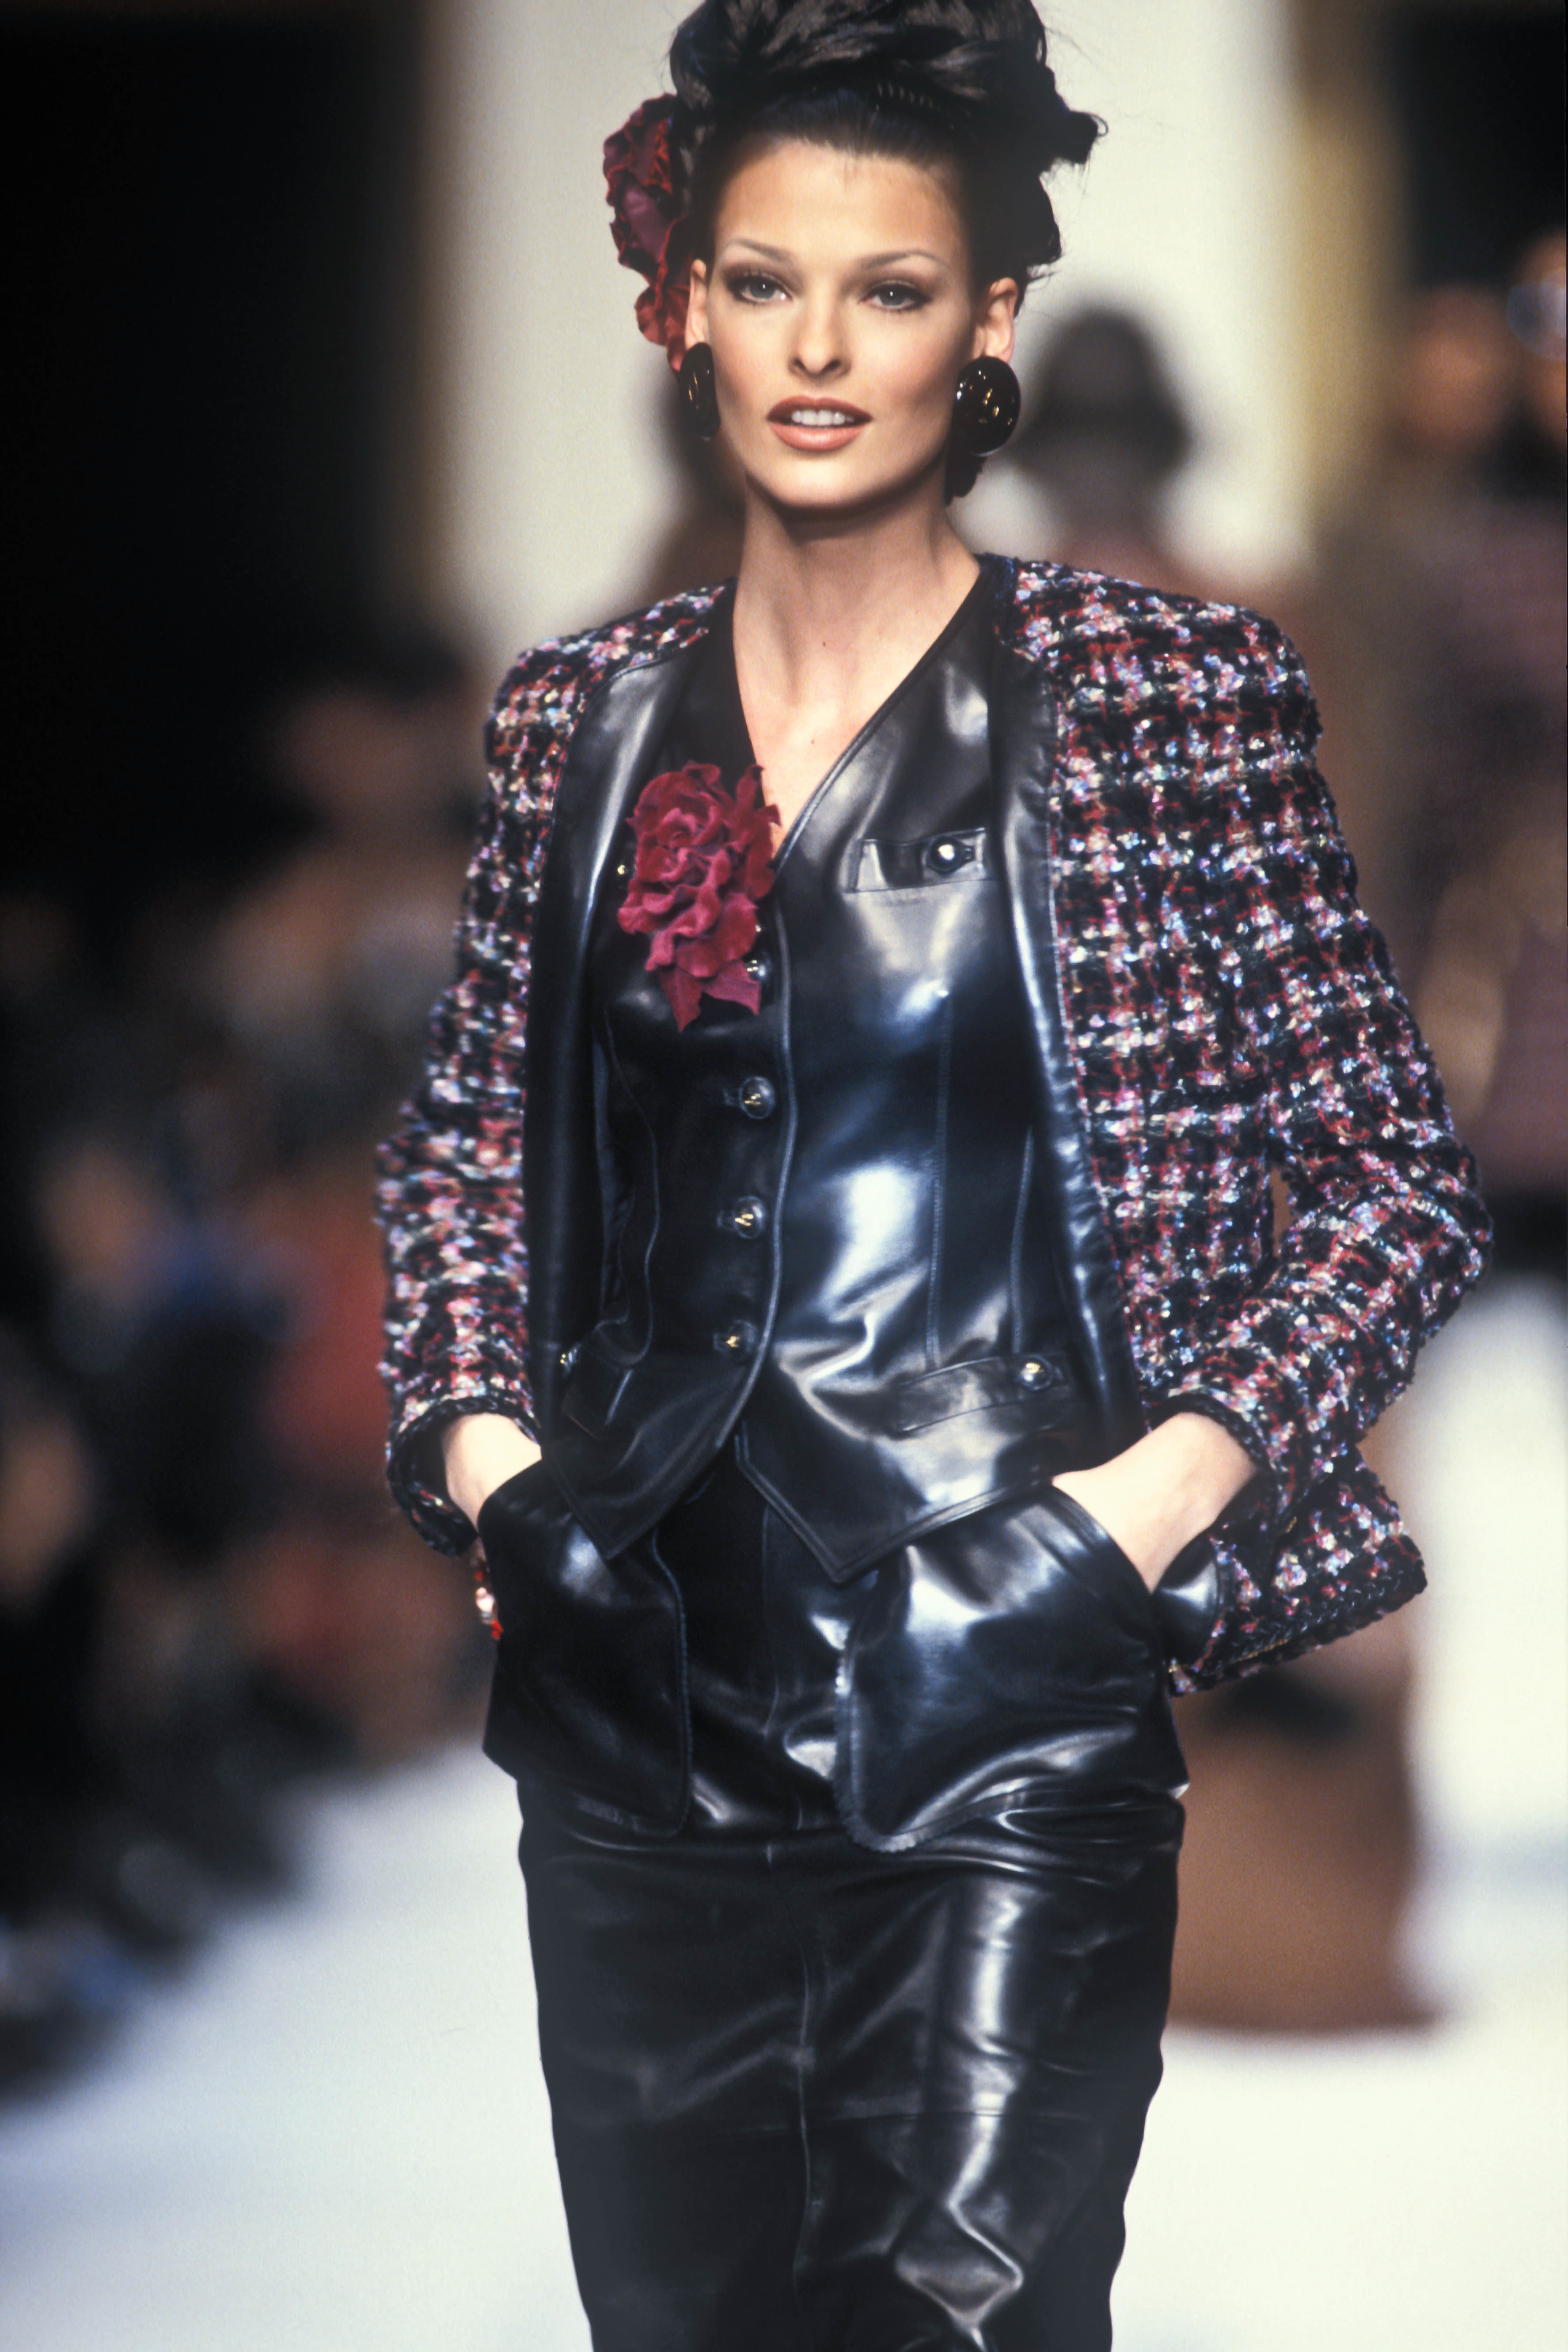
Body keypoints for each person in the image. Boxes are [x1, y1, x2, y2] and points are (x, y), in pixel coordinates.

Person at [375, 5, 1489, 2344]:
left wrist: (1128, 1521)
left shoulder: (1170, 697)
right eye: (763, 281)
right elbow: (472, 1143)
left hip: (1012, 1680)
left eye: (887, 290)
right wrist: (497, 1474)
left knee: (967, 2317)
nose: (818, 350)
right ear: (682, 304)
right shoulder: (581, 720)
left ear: (986, 323)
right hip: (638, 1690)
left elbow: (1389, 1171)